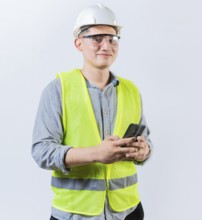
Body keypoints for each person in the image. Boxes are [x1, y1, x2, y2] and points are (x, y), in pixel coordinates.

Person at [32, 4, 152, 220]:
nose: (106, 45)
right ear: (79, 43)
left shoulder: (131, 90)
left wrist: (144, 151)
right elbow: (41, 151)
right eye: (97, 38)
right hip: (76, 213)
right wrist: (96, 153)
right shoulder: (58, 89)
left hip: (128, 211)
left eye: (112, 38)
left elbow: (145, 141)